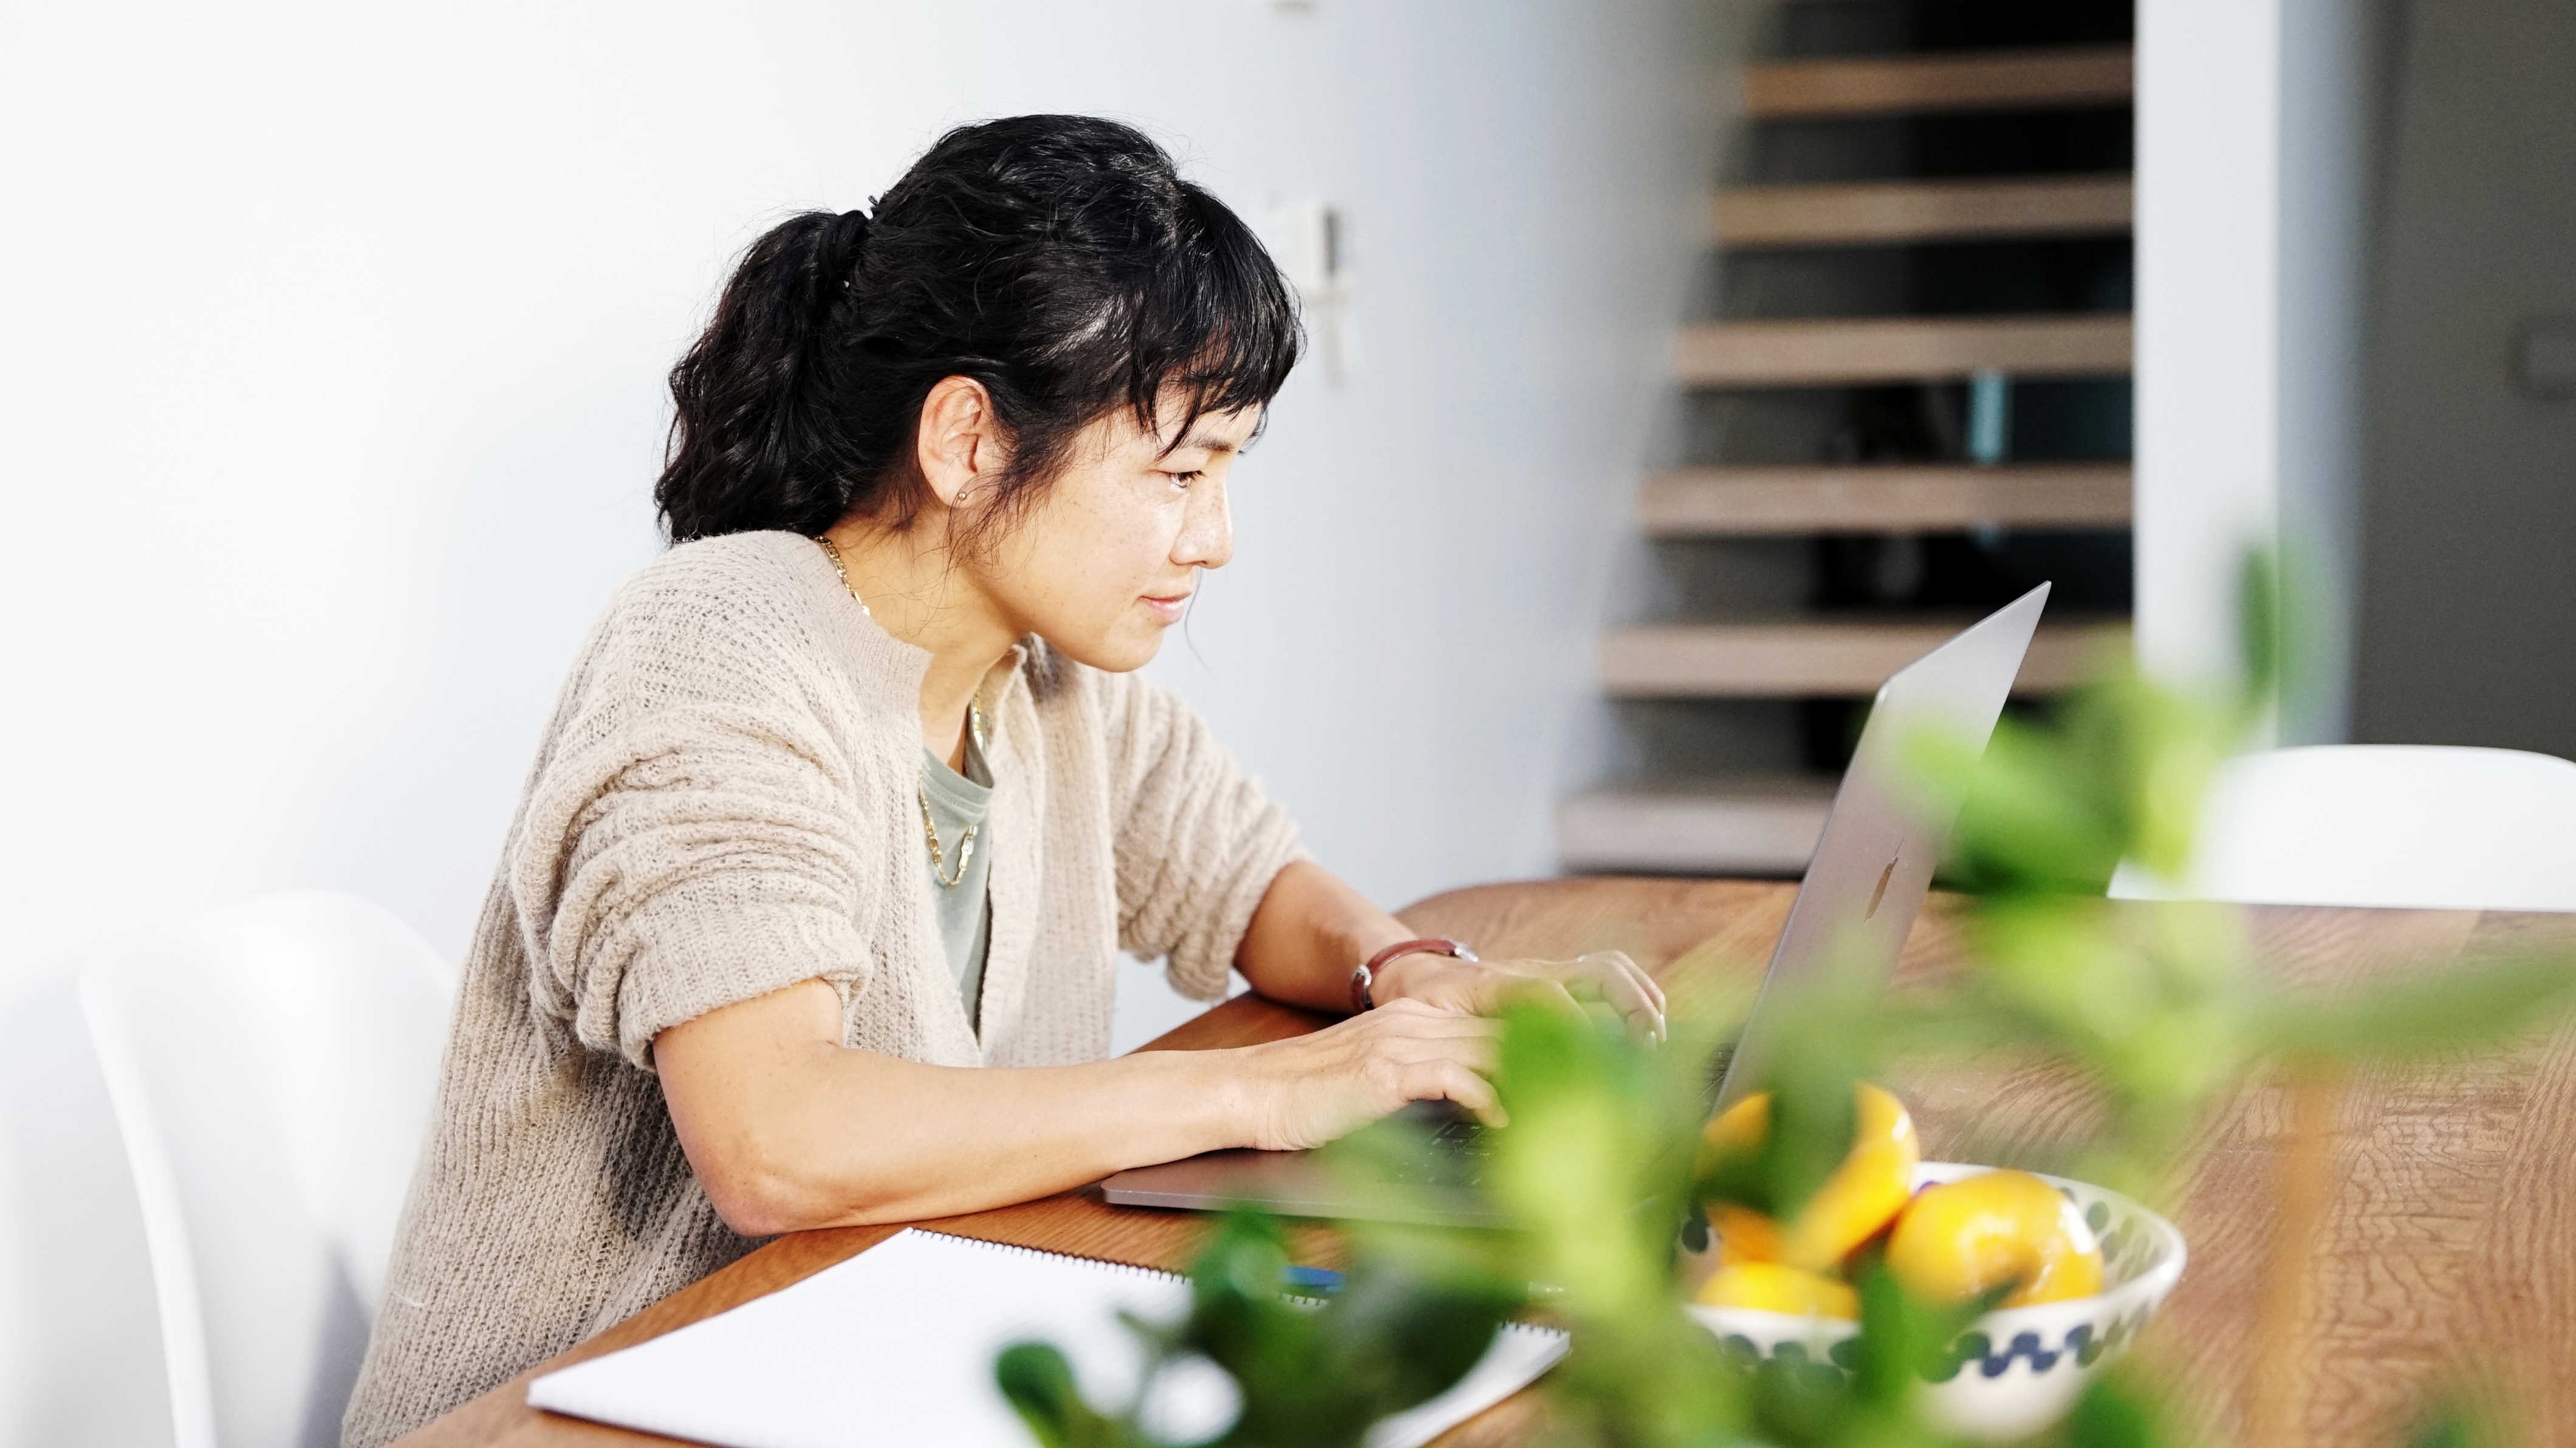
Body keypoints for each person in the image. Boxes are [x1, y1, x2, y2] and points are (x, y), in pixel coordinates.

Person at [342, 114, 1663, 1447]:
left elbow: (1245, 876)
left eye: (1229, 471)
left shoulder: (1036, 676)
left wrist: (1402, 971)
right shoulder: (717, 647)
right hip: (578, 1412)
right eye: (1180, 470)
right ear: (969, 439)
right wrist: (1273, 1086)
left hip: (863, 1372)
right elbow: (775, 1136)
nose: (1214, 539)